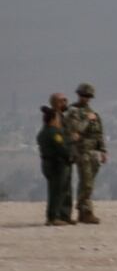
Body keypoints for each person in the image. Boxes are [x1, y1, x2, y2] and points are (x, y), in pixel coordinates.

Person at [65, 82, 106, 224]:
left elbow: (99, 133)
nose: (86, 98)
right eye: (83, 95)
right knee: (86, 183)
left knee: (88, 183)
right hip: (81, 152)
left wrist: (103, 151)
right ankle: (85, 211)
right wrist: (87, 120)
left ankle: (84, 211)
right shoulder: (73, 111)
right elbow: (76, 130)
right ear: (78, 95)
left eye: (88, 96)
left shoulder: (93, 113)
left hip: (93, 152)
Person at [37, 95, 74, 226]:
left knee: (63, 190)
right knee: (57, 191)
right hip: (57, 164)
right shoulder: (53, 132)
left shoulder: (45, 132)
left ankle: (63, 215)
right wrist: (70, 155)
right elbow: (61, 147)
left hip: (54, 163)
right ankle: (54, 217)